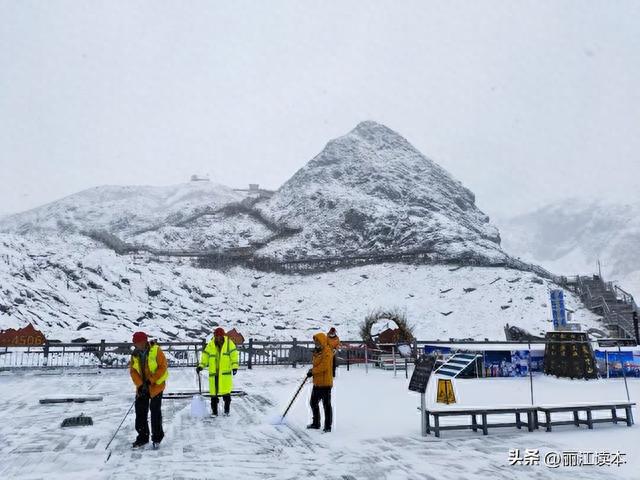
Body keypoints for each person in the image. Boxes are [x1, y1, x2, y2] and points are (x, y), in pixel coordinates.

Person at [129, 331, 168, 449]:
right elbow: (133, 371)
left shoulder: (156, 350)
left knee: (155, 412)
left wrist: (151, 380)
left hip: (156, 386)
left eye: (139, 342)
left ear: (145, 341)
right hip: (142, 388)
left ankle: (157, 438)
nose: (137, 345)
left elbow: (163, 367)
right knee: (140, 412)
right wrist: (140, 385)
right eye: (135, 343)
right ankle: (142, 437)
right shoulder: (134, 354)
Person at [197, 327, 239, 416]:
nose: (218, 338)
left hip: (225, 374)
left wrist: (235, 367)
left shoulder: (229, 344)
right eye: (216, 336)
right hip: (214, 373)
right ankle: (214, 412)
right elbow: (205, 356)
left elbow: (234, 355)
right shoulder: (211, 345)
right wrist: (201, 366)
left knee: (226, 393)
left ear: (223, 336)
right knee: (214, 394)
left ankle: (226, 411)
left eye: (220, 336)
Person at [306, 332, 333, 432]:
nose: (316, 343)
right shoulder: (317, 352)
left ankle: (327, 426)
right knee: (313, 403)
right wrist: (311, 371)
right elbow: (316, 365)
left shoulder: (327, 352)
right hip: (317, 382)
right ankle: (316, 423)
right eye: (315, 341)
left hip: (325, 383)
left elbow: (324, 366)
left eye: (317, 341)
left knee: (326, 405)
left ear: (322, 341)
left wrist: (313, 371)